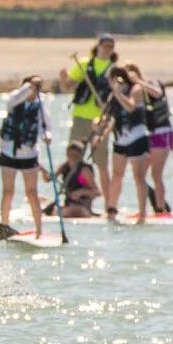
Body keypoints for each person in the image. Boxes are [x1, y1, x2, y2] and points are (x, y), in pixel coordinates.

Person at [60, 34, 121, 215]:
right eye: (104, 45)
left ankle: (109, 205)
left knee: (101, 162)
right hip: (80, 117)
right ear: (98, 46)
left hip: (100, 121)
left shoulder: (114, 69)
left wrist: (108, 108)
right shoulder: (84, 64)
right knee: (74, 159)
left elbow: (118, 95)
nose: (107, 49)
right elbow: (68, 86)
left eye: (110, 46)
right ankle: (69, 198)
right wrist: (63, 78)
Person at [0, 74, 48, 240]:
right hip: (8, 152)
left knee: (31, 192)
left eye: (35, 89)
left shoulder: (40, 104)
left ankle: (39, 231)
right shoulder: (14, 99)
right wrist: (29, 86)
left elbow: (45, 126)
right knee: (8, 191)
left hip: (28, 153)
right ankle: (4, 226)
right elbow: (14, 99)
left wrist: (47, 136)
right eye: (30, 88)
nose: (32, 92)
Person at [101, 66, 156, 222]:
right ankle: (111, 209)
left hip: (137, 136)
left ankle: (142, 214)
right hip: (121, 138)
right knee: (117, 174)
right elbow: (111, 115)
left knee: (139, 176)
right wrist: (102, 130)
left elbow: (131, 107)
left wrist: (118, 93)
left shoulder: (136, 89)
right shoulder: (113, 94)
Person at [133, 63, 173, 213]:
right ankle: (145, 207)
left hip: (161, 132)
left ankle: (161, 207)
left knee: (156, 174)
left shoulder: (152, 84)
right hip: (148, 135)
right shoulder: (133, 93)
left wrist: (138, 81)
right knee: (140, 175)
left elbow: (157, 93)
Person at [52, 142, 100, 217]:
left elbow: (97, 192)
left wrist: (81, 192)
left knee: (67, 212)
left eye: (75, 156)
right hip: (69, 204)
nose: (72, 158)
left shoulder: (84, 170)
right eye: (70, 155)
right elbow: (49, 179)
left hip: (82, 206)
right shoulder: (64, 166)